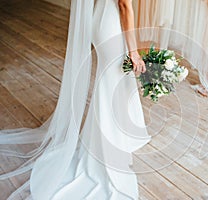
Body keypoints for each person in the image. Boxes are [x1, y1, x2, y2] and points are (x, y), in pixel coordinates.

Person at [0, 0, 151, 199]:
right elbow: (124, 4)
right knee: (110, 84)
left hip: (101, 17)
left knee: (115, 81)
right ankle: (107, 144)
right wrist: (133, 52)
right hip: (112, 22)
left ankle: (124, 132)